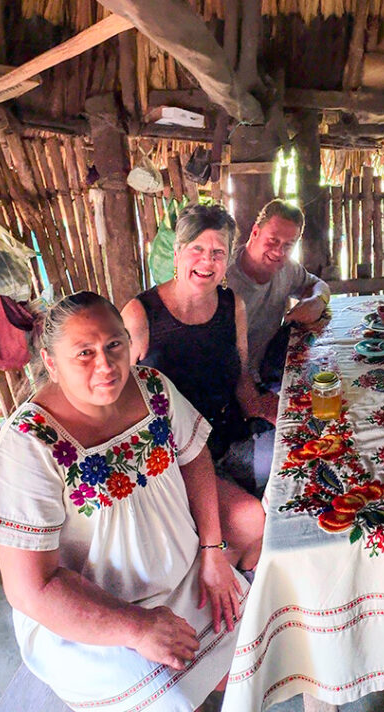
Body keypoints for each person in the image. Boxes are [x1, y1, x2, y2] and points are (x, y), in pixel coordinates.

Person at [0, 292, 245, 711]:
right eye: (83, 352)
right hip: (94, 617)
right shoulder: (29, 443)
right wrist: (137, 628)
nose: (104, 365)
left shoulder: (153, 387)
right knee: (168, 700)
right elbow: (32, 590)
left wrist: (212, 551)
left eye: (113, 345)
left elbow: (194, 458)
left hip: (185, 573)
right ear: (50, 362)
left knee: (256, 640)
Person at [122, 203, 272, 541]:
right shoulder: (141, 314)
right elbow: (119, 399)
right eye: (197, 249)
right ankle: (222, 566)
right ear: (177, 254)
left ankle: (235, 561)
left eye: (218, 252)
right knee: (251, 519)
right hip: (174, 458)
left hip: (229, 438)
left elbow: (242, 375)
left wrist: (265, 409)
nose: (208, 261)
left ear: (228, 260)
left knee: (291, 477)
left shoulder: (232, 305)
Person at [225, 199, 331, 386]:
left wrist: (317, 301)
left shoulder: (287, 269)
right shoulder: (224, 280)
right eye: (273, 240)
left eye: (288, 245)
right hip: (234, 386)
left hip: (270, 372)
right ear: (255, 233)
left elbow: (319, 284)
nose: (279, 252)